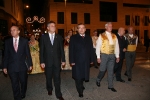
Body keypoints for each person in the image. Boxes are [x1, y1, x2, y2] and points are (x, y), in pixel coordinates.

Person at [3, 25, 33, 100]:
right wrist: (4, 66)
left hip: (22, 66)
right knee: (14, 83)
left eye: (14, 30)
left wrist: (30, 64)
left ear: (18, 31)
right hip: (12, 67)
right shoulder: (7, 42)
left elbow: (27, 54)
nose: (12, 31)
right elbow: (6, 55)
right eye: (11, 30)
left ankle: (23, 92)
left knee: (23, 82)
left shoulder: (24, 41)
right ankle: (17, 97)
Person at [40, 21, 65, 100]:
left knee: (57, 78)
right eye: (51, 26)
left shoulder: (59, 37)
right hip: (47, 62)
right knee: (48, 77)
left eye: (54, 26)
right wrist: (42, 61)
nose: (53, 27)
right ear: (48, 28)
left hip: (57, 61)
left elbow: (61, 49)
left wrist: (63, 60)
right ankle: (49, 88)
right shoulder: (43, 37)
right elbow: (42, 51)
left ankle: (58, 94)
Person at [69, 23, 94, 98]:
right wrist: (72, 61)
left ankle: (81, 85)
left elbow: (91, 49)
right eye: (79, 28)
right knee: (78, 76)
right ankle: (80, 91)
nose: (81, 29)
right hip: (77, 61)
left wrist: (92, 59)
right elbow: (71, 50)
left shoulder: (88, 37)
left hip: (86, 60)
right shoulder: (73, 38)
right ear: (77, 29)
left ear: (85, 29)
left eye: (83, 28)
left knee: (84, 75)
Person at [96, 22, 119, 92]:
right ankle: (98, 79)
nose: (111, 27)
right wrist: (98, 57)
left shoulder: (114, 36)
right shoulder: (101, 36)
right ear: (105, 27)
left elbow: (116, 47)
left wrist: (117, 56)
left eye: (111, 26)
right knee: (102, 70)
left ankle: (110, 85)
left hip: (112, 55)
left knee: (111, 71)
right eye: (109, 26)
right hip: (104, 55)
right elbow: (98, 47)